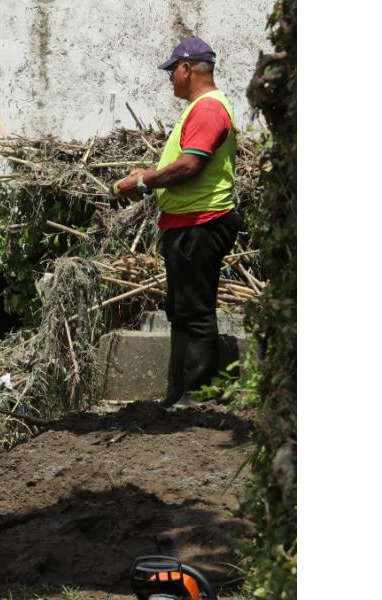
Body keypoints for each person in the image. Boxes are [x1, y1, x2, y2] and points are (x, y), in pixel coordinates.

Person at [112, 37, 243, 409]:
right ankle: (182, 393)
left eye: (172, 70)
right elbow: (185, 162)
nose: (170, 78)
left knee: (195, 311)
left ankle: (198, 396)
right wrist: (148, 175)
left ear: (187, 69)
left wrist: (142, 182)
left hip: (201, 222)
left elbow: (190, 165)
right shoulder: (202, 108)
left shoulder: (208, 108)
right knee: (183, 309)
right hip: (188, 223)